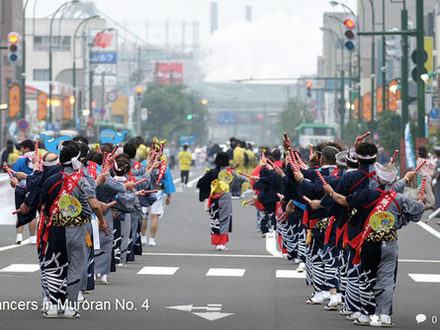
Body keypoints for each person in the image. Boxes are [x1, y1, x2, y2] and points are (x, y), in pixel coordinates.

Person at [39, 141, 107, 318]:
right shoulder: (82, 181)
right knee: (76, 266)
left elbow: (44, 206)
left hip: (55, 229)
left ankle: (53, 307)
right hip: (76, 229)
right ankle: (70, 307)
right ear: (77, 161)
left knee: (55, 266)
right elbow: (95, 205)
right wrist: (102, 221)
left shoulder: (51, 180)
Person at [197, 152, 233, 251]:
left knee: (215, 221)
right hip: (225, 199)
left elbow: (201, 183)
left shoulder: (212, 172)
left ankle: (217, 243)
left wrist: (206, 193)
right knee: (225, 221)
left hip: (214, 199)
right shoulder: (229, 173)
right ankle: (222, 243)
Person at [12, 139, 37, 244]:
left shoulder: (20, 160)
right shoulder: (38, 159)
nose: (21, 150)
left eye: (22, 147)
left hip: (22, 187)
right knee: (33, 212)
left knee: (20, 210)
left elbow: (13, 175)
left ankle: (19, 236)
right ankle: (32, 237)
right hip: (34, 187)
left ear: (26, 148)